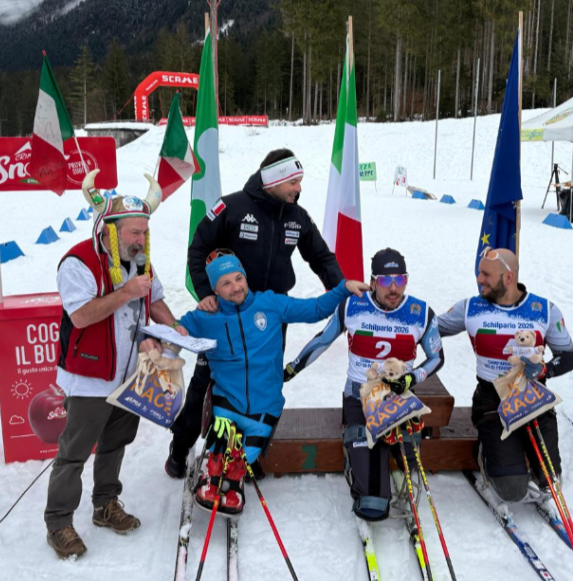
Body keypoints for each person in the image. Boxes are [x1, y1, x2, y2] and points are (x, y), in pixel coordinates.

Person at [166, 149, 344, 478]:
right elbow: (198, 248)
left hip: (269, 315)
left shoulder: (297, 216)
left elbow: (321, 257)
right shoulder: (231, 207)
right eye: (293, 181)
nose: (298, 188)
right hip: (225, 313)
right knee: (205, 379)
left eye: (300, 182)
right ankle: (181, 444)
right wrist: (206, 294)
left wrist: (344, 293)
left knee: (265, 382)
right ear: (273, 181)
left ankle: (250, 450)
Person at [44, 173, 185, 560]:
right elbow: (82, 316)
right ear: (109, 230)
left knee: (115, 444)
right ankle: (58, 522)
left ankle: (106, 504)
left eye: (144, 231)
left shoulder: (141, 261)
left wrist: (174, 327)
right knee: (74, 452)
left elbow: (153, 300)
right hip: (89, 378)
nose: (140, 239)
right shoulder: (78, 262)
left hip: (130, 373)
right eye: (133, 232)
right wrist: (124, 292)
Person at [177, 250, 369, 514]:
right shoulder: (205, 317)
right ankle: (211, 472)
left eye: (238, 278)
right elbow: (178, 331)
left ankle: (234, 478)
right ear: (215, 290)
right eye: (226, 283)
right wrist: (164, 337)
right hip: (227, 403)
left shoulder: (269, 304)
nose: (236, 287)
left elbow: (314, 309)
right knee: (221, 446)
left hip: (264, 405)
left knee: (244, 456)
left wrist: (343, 288)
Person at [284, 248, 444, 521]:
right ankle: (360, 461)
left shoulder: (420, 312)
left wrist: (413, 377)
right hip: (359, 393)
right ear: (372, 282)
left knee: (400, 448)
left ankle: (389, 458)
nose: (393, 288)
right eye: (384, 281)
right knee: (367, 474)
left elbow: (437, 357)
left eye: (399, 280)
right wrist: (290, 370)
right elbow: (322, 340)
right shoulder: (353, 305)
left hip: (398, 395)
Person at [438, 248, 573, 503]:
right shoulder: (471, 307)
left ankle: (524, 453)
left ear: (508, 277)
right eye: (480, 272)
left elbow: (568, 356)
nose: (479, 279)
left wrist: (545, 369)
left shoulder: (543, 309)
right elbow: (429, 329)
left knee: (550, 481)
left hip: (532, 396)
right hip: (492, 398)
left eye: (486, 274)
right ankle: (488, 452)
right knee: (512, 491)